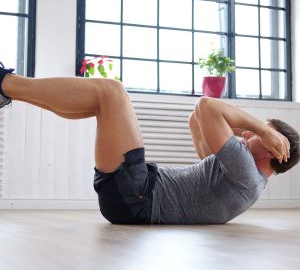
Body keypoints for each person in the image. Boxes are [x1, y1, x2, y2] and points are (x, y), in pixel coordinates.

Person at [0, 62, 299, 224]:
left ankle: (4, 82)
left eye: (260, 135)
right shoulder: (242, 177)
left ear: (274, 150)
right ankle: (8, 91)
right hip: (134, 195)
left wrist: (261, 126)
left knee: (111, 92)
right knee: (99, 101)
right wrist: (257, 131)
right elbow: (197, 119)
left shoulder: (246, 173)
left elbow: (207, 106)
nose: (247, 134)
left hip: (137, 195)